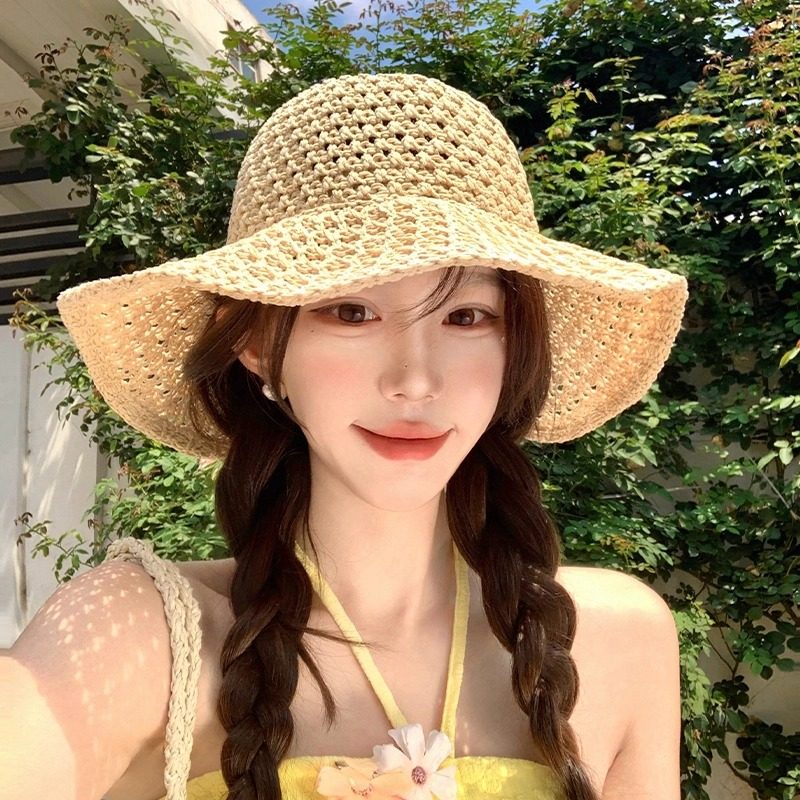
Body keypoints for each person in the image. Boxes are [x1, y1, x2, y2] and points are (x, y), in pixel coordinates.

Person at [2, 73, 686, 800]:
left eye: (467, 317)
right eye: (351, 312)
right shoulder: (143, 636)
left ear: (515, 346)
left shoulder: (619, 641)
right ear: (258, 345)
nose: (415, 382)